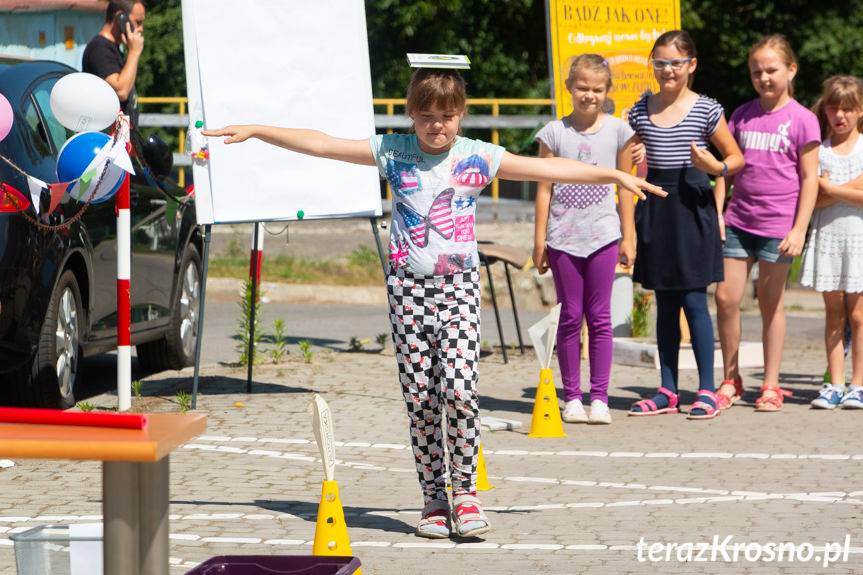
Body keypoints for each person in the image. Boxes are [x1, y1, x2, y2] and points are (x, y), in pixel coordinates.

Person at [204, 67, 665, 539]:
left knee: (461, 391)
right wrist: (258, 130)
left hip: (459, 290)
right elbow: (322, 144)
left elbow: (546, 168)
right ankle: (433, 500)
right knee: (422, 400)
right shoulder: (392, 151)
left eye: (447, 116)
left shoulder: (477, 157)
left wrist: (612, 174)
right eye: (427, 116)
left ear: (461, 116)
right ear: (412, 115)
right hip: (407, 291)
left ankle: (465, 494)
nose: (437, 125)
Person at [625, 30, 744, 420]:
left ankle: (707, 389)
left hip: (693, 204)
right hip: (656, 205)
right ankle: (667, 389)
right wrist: (635, 156)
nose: (668, 70)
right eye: (660, 62)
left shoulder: (707, 109)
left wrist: (716, 168)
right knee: (664, 302)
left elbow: (735, 159)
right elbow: (629, 162)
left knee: (695, 300)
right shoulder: (639, 109)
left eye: (676, 63)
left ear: (691, 65)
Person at [714, 35, 820, 412]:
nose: (764, 77)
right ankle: (731, 378)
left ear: (790, 70)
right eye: (757, 71)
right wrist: (718, 213)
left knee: (770, 304)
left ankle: (771, 384)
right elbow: (725, 169)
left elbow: (810, 179)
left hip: (780, 227)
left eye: (772, 70)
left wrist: (798, 228)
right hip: (739, 221)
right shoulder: (740, 115)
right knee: (726, 298)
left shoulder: (804, 120)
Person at [533, 54, 641, 425]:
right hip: (562, 238)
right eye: (582, 87)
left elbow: (625, 187)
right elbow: (543, 187)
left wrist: (629, 236)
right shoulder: (554, 133)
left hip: (603, 236)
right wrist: (539, 239)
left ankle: (599, 397)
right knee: (569, 317)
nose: (589, 95)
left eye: (597, 89)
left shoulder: (619, 132)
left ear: (607, 92)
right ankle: (572, 397)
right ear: (569, 87)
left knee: (600, 317)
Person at [801, 76, 863, 409]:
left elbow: (830, 194)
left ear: (860, 111)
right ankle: (835, 383)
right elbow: (811, 199)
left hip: (858, 240)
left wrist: (833, 189)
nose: (840, 115)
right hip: (828, 238)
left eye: (848, 109)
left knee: (859, 316)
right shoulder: (819, 151)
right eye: (834, 108)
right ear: (824, 109)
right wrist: (850, 192)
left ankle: (858, 383)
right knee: (833, 315)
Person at [82, 0, 146, 125]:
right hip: (108, 139)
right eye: (138, 22)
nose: (141, 28)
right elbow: (121, 91)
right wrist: (134, 53)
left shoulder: (115, 48)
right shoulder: (99, 49)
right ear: (121, 17)